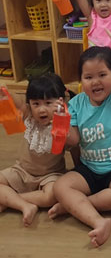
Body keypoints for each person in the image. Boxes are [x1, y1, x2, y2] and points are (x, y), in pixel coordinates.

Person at [49, 29, 111, 248]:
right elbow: (73, 141)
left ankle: (77, 206)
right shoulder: (76, 103)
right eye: (88, 77)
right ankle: (98, 221)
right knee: (60, 187)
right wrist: (60, 120)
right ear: (81, 80)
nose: (95, 82)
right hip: (89, 167)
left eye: (102, 75)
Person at [0, 74, 70, 226]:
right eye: (36, 103)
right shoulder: (29, 117)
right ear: (29, 105)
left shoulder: (63, 121)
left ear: (60, 101)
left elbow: (74, 146)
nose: (41, 109)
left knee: (52, 196)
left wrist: (61, 118)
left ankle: (10, 200)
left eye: (48, 103)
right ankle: (25, 205)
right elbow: (17, 103)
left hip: (50, 176)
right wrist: (4, 91)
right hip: (22, 171)